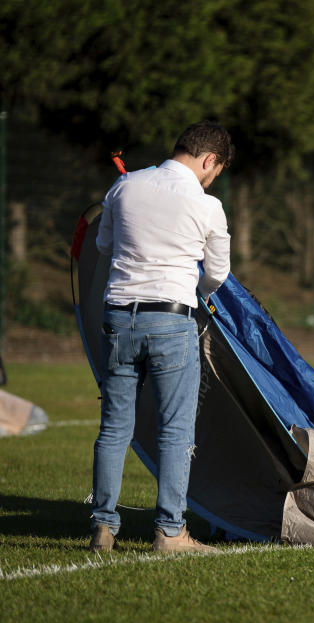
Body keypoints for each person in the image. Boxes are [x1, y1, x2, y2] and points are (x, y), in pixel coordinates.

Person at [89, 121, 234, 553]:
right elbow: (218, 275)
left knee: (114, 428)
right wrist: (196, 293)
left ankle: (102, 527)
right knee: (175, 431)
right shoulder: (208, 206)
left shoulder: (125, 187)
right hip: (172, 320)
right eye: (216, 171)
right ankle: (170, 532)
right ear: (209, 160)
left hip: (118, 316)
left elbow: (103, 245)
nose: (212, 180)